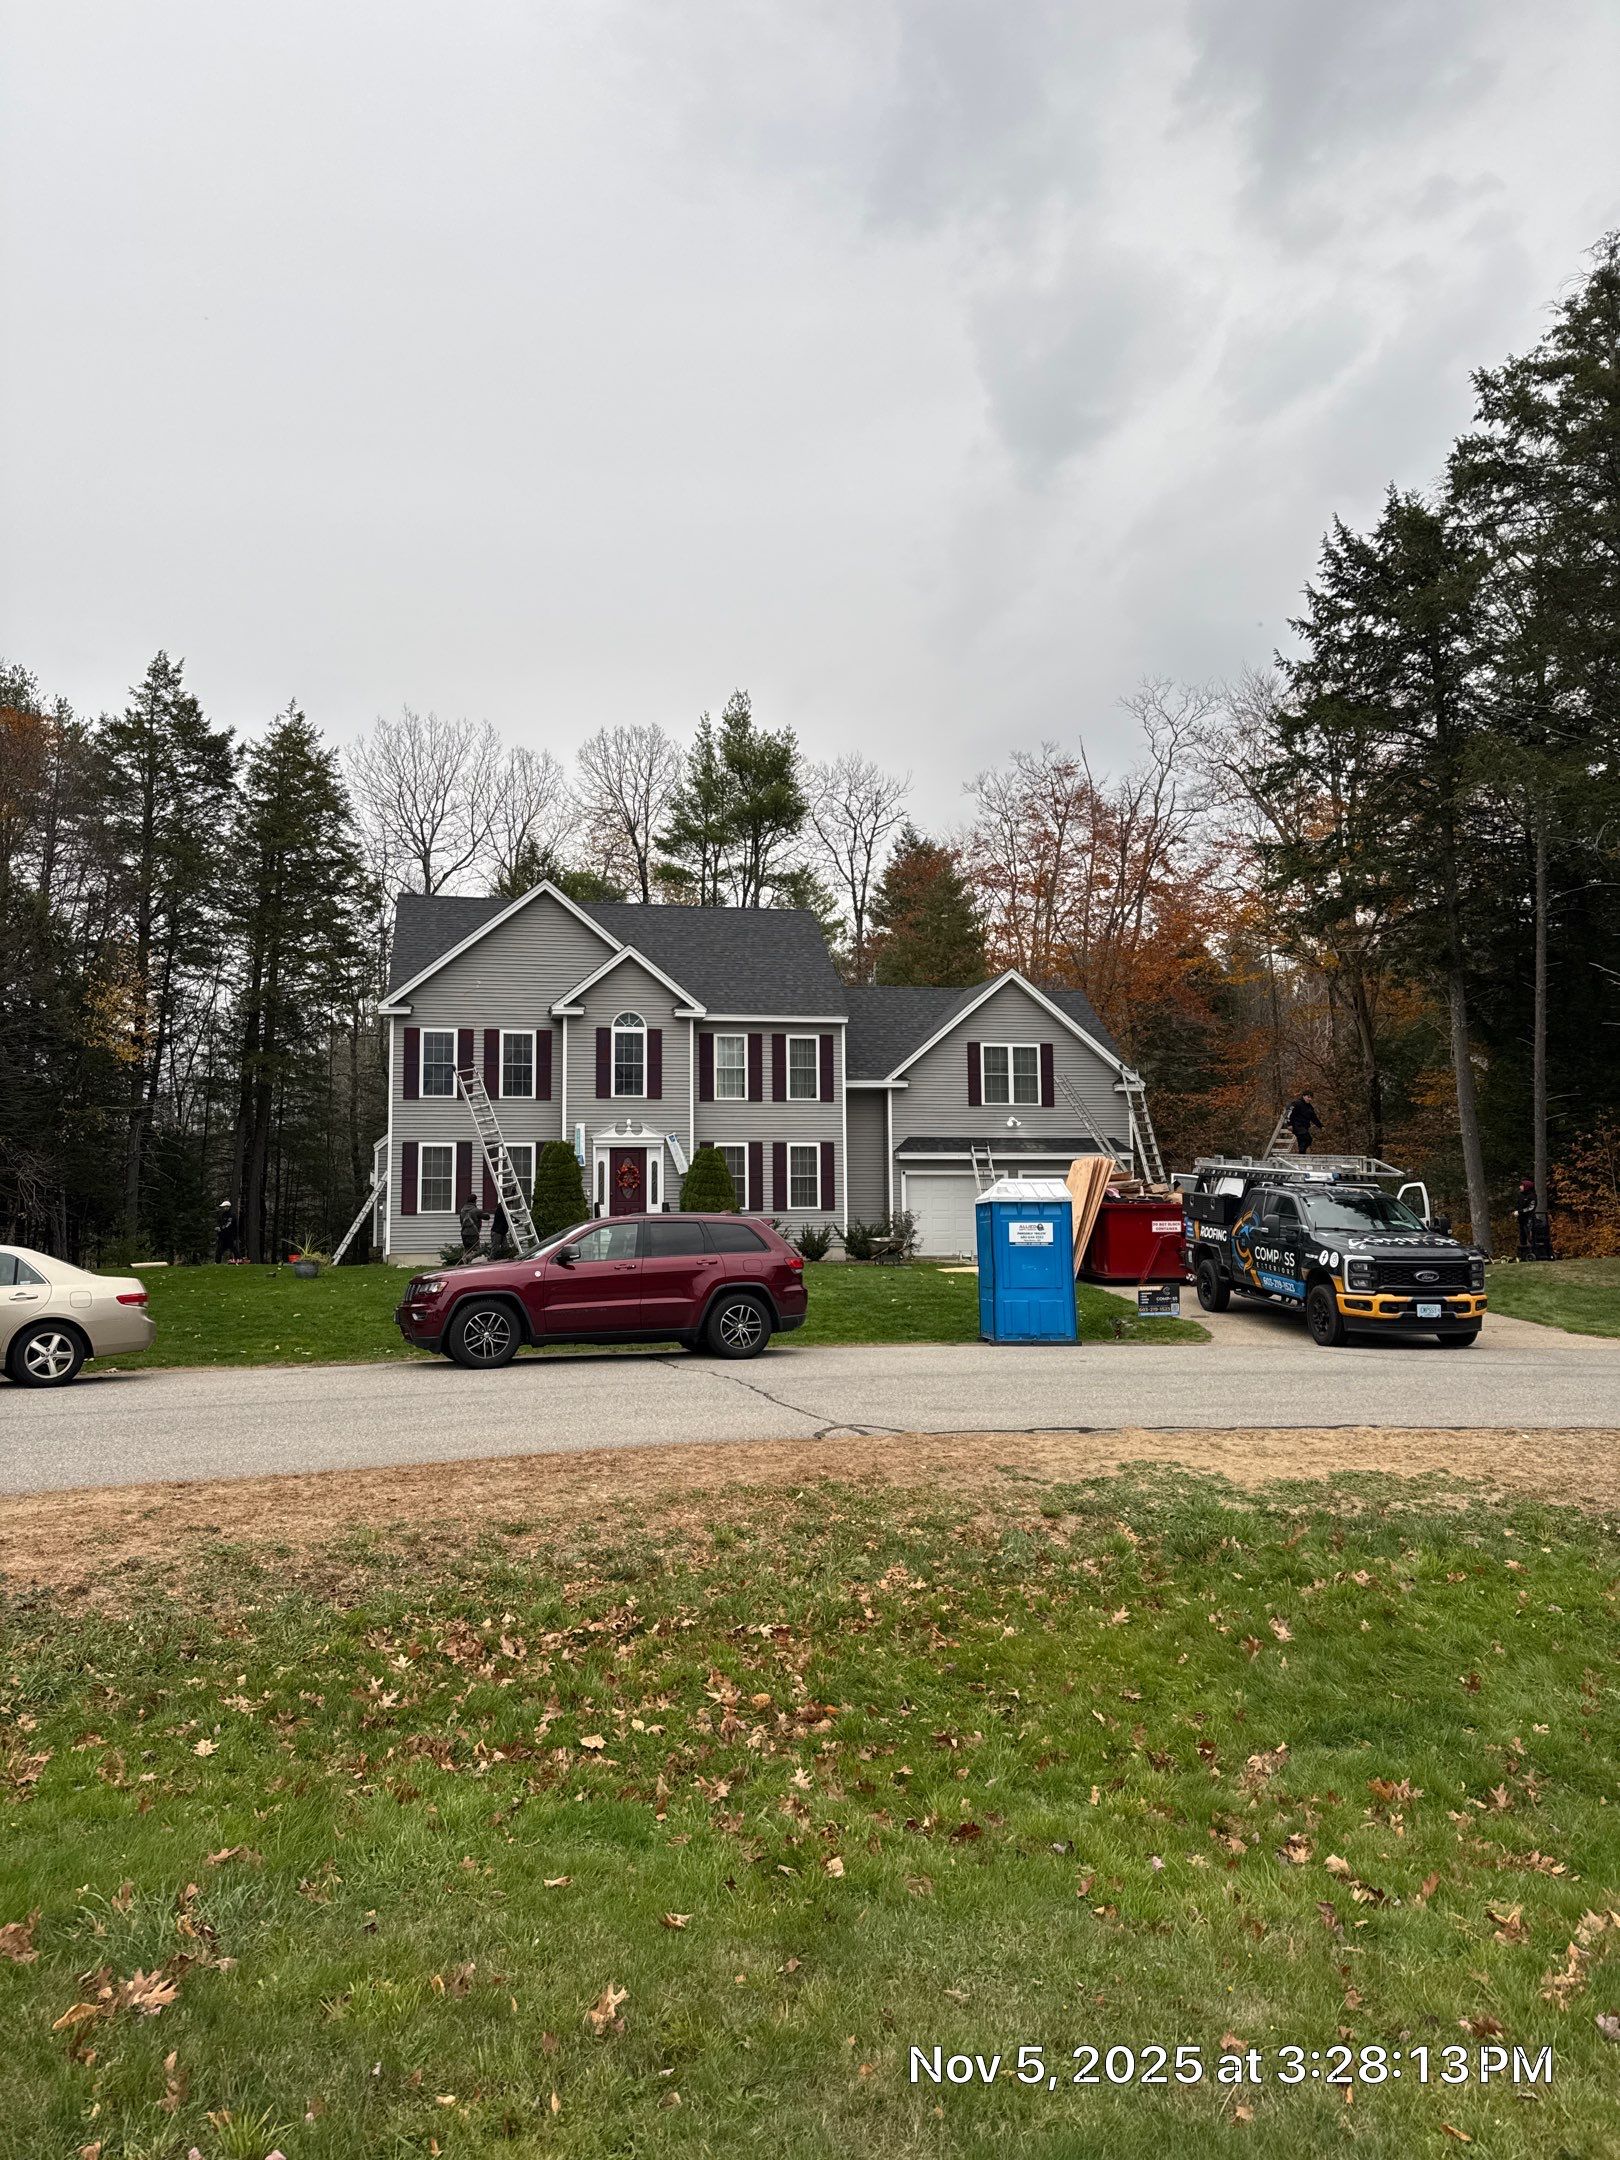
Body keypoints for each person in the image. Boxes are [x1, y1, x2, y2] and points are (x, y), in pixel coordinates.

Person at [1515, 1176, 1537, 1261]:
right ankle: (1523, 1255)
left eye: (1522, 1185)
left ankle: (1534, 1252)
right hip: (1521, 1219)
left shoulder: (1532, 1196)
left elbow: (1531, 1208)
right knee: (1522, 1236)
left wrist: (1520, 1212)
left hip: (1529, 1219)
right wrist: (1517, 1211)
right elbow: (1518, 1205)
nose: (1520, 1187)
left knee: (1530, 1235)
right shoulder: (1520, 1195)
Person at [214, 1198, 238, 1263]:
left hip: (229, 1235)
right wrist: (217, 1228)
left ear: (228, 1207)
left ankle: (239, 1260)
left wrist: (221, 1229)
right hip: (222, 1236)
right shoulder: (222, 1215)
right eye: (223, 1207)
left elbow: (228, 1224)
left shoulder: (232, 1215)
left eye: (224, 1207)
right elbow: (219, 1223)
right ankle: (217, 1262)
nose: (223, 1208)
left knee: (233, 1249)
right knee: (219, 1249)